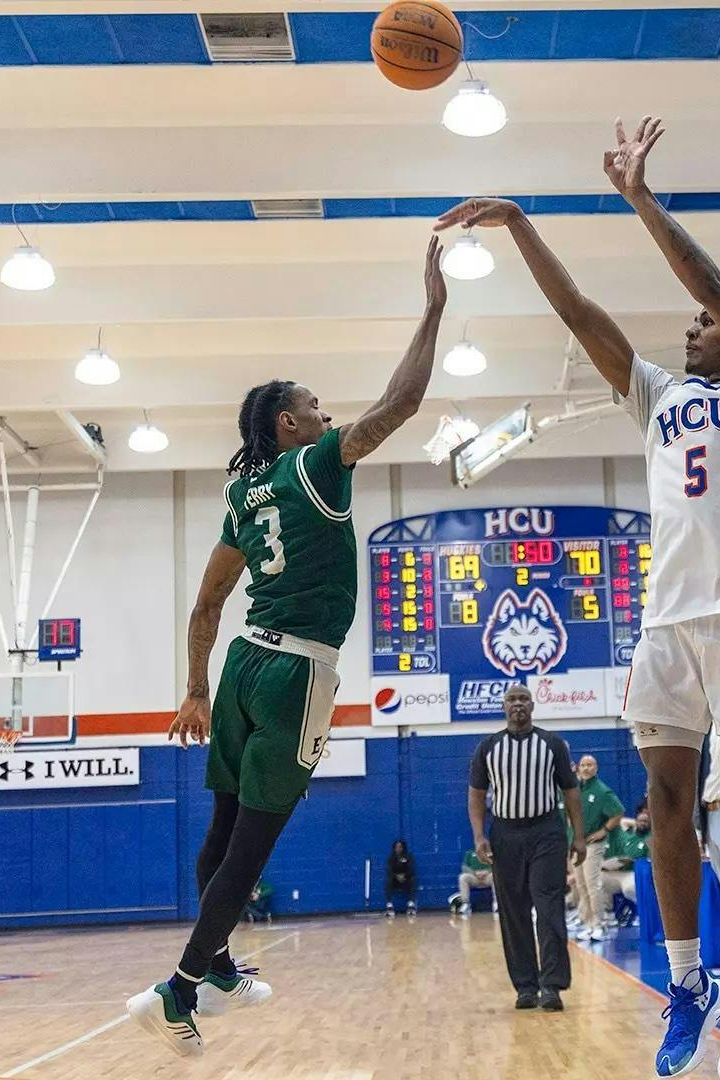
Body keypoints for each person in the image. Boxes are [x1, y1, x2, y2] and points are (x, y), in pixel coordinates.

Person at [436, 114, 720, 1080]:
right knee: (665, 801)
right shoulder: (659, 396)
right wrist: (522, 222)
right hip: (667, 621)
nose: (691, 325)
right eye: (696, 323)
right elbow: (581, 315)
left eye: (706, 321)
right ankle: (689, 984)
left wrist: (641, 200)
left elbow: (707, 285)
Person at [127, 238, 449, 1057]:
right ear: (289, 424)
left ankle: (222, 967)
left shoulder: (244, 491)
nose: (330, 415)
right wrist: (434, 309)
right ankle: (181, 987)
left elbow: (207, 603)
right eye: (316, 405)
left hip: (239, 664)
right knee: (253, 847)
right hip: (297, 669)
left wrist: (196, 690)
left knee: (221, 829)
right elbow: (402, 403)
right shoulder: (314, 465)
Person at [468, 684, 588, 1011]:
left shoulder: (552, 745)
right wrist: (480, 836)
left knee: (549, 908)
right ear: (504, 706)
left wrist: (578, 836)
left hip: (546, 831)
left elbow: (571, 792)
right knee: (513, 913)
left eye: (523, 699)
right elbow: (476, 794)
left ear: (533, 706)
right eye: (512, 699)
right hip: (505, 834)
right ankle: (525, 986)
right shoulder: (488, 747)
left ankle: (552, 986)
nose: (518, 704)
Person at [572, 754, 625, 942]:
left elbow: (618, 811)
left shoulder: (602, 791)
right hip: (576, 845)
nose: (586, 768)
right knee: (581, 885)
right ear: (578, 768)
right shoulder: (575, 789)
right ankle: (588, 923)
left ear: (596, 768)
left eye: (590, 765)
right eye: (583, 765)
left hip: (593, 845)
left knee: (593, 884)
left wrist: (604, 830)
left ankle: (600, 925)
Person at [454, 845, 495, 916]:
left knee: (495, 877)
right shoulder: (469, 853)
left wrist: (487, 871)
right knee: (463, 877)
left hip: (487, 877)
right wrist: (474, 873)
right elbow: (464, 867)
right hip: (474, 878)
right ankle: (465, 904)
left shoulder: (490, 853)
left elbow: (495, 865)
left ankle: (497, 904)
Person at [385, 840, 416, 917]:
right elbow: (389, 870)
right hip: (395, 880)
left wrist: (404, 876)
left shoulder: (408, 856)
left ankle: (411, 905)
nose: (398, 849)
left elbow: (411, 869)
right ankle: (389, 905)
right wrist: (396, 876)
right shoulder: (391, 858)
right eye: (397, 847)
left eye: (400, 847)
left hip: (405, 879)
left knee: (412, 880)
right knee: (388, 881)